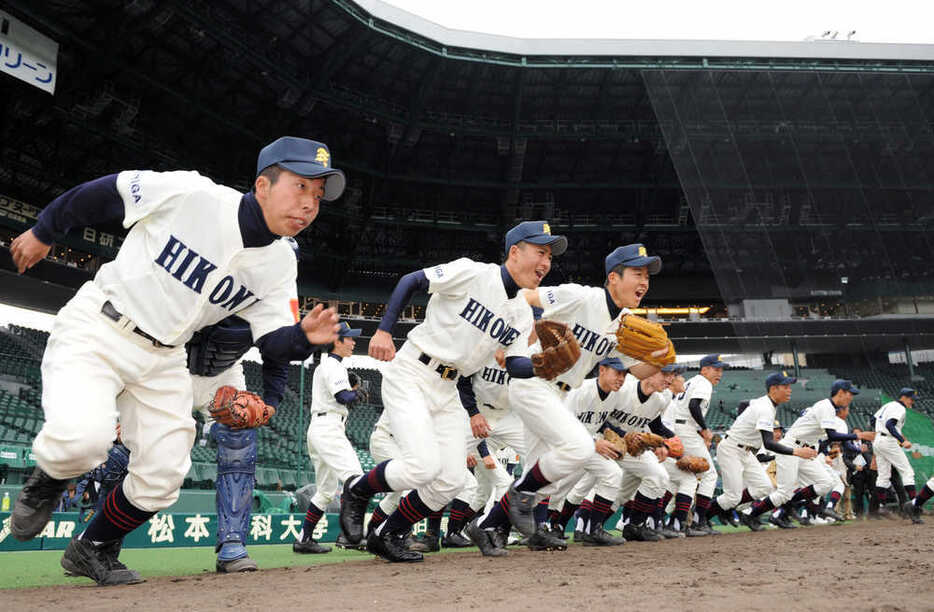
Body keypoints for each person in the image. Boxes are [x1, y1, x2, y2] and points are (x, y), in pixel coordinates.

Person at [9, 136, 343, 586]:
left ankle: (91, 549)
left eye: (318, 197)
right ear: (263, 184)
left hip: (166, 358)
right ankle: (46, 483)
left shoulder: (280, 263)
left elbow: (273, 343)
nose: (309, 205)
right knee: (82, 442)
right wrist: (44, 230)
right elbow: (108, 191)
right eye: (300, 187)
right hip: (102, 327)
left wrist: (302, 338)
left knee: (164, 474)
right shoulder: (195, 195)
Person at [339, 221, 560, 563]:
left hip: (449, 387)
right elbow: (411, 281)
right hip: (413, 370)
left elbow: (515, 365)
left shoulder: (520, 314)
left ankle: (387, 534)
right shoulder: (473, 273)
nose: (546, 262)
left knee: (452, 480)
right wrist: (384, 331)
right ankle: (357, 489)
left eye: (550, 256)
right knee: (421, 467)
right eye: (540, 252)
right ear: (515, 252)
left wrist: (546, 366)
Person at [467, 243, 668, 554]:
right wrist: (517, 333)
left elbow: (640, 371)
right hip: (534, 383)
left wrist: (660, 359)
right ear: (613, 277)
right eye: (637, 274)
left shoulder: (625, 324)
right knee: (578, 448)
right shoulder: (582, 296)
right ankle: (518, 498)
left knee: (546, 469)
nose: (644, 282)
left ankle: (490, 526)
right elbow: (525, 296)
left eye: (647, 277)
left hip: (558, 393)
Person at [294, 322, 367, 554]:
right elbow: (343, 396)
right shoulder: (333, 365)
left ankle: (304, 539)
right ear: (338, 341)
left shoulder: (328, 366)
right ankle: (348, 536)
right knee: (355, 478)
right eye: (350, 338)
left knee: (325, 491)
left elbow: (342, 398)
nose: (354, 342)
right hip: (328, 428)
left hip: (322, 427)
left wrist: (353, 394)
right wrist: (356, 393)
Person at [715, 371, 818, 530]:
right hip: (732, 449)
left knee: (764, 487)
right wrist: (797, 452)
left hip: (746, 451)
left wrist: (743, 420)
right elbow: (769, 443)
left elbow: (744, 403)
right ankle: (701, 517)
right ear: (773, 389)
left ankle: (727, 509)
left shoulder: (765, 404)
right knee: (732, 496)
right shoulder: (765, 408)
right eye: (786, 386)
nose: (790, 390)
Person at [667, 354, 727, 533]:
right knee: (709, 474)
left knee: (681, 477)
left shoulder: (692, 381)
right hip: (685, 431)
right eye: (716, 369)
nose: (719, 374)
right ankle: (699, 520)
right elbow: (694, 406)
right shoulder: (704, 383)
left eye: (721, 370)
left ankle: (675, 521)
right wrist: (705, 429)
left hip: (679, 428)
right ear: (704, 369)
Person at [872, 388, 918, 517]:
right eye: (910, 399)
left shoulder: (888, 405)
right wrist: (902, 440)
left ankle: (882, 506)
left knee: (883, 475)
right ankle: (915, 506)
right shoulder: (899, 408)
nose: (912, 402)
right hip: (888, 441)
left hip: (878, 440)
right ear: (903, 397)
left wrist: (879, 431)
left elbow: (873, 420)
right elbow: (890, 424)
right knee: (907, 472)